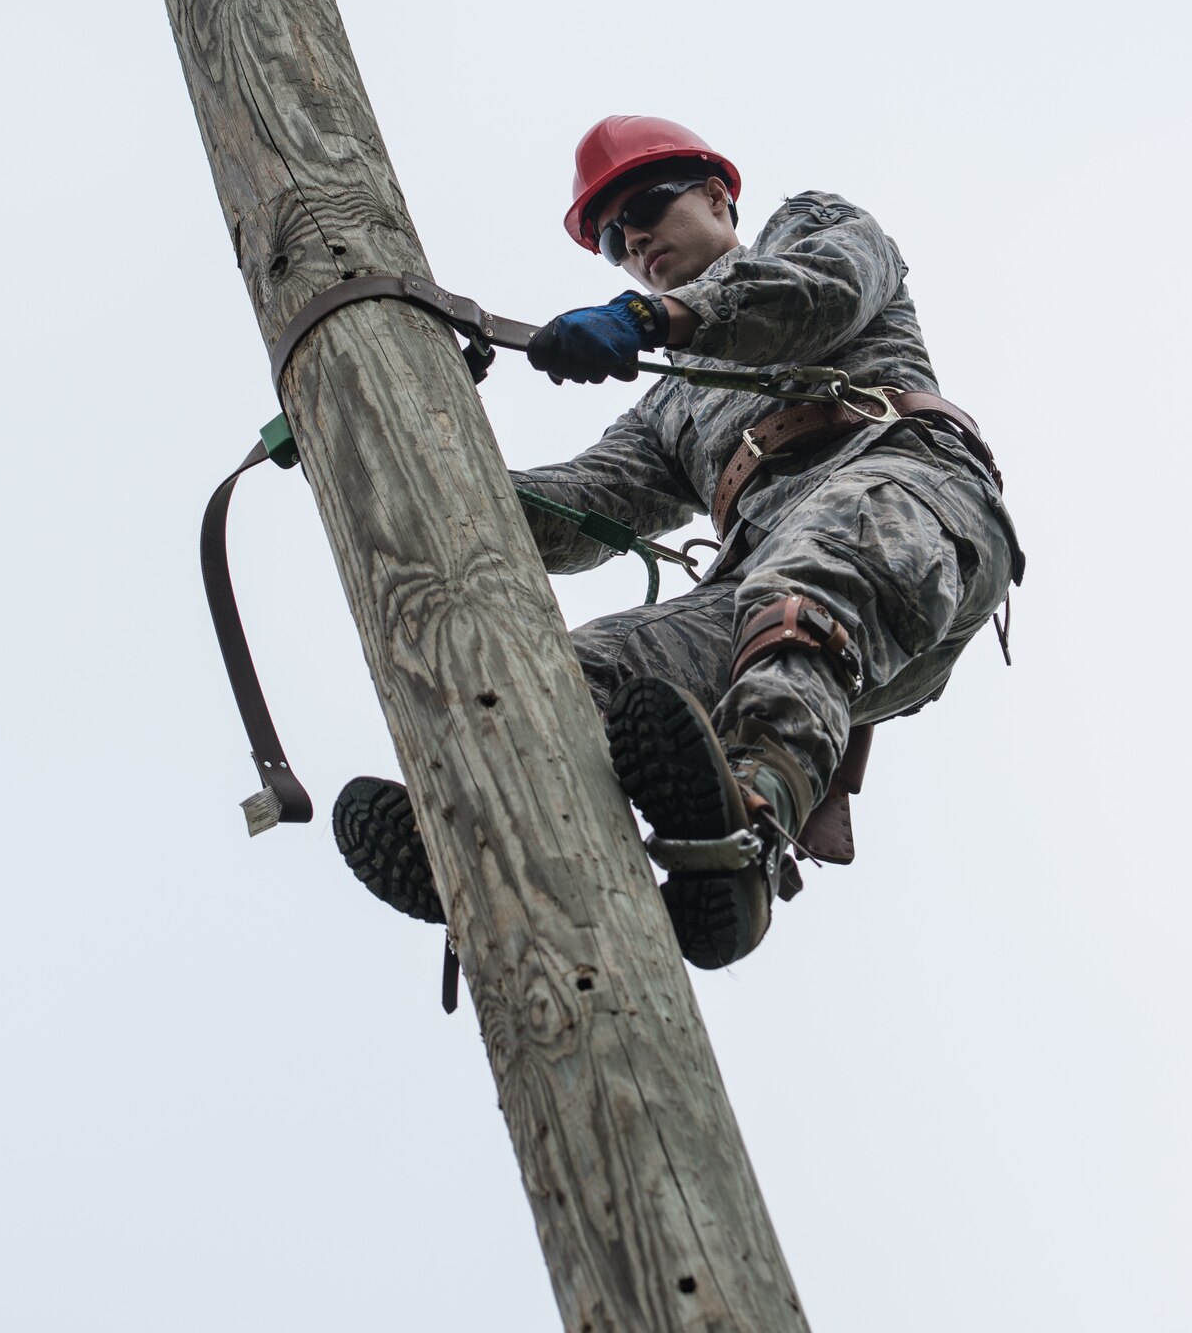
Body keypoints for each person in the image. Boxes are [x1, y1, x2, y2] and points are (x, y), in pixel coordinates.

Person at [333, 115, 1024, 967]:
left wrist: (653, 318)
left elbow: (819, 295)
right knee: (570, 671)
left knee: (799, 589)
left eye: (646, 209)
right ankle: (487, 839)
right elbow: (583, 502)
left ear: (714, 195)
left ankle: (748, 833)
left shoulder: (815, 226)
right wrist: (406, 467)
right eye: (614, 241)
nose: (633, 240)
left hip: (906, 501)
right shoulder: (669, 413)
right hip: (763, 573)